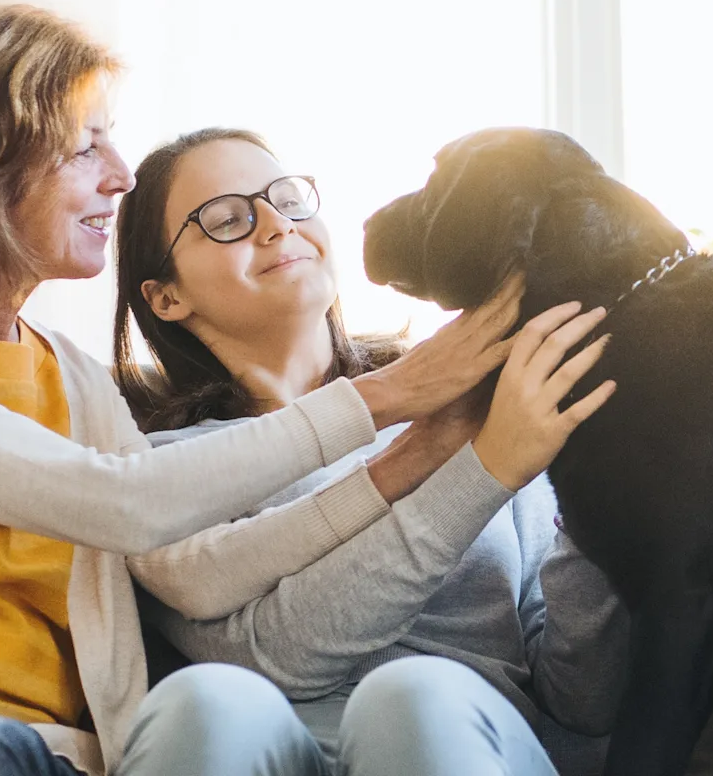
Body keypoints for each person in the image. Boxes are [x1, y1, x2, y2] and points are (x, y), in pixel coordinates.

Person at [0, 0, 598, 776]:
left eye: (287, 200)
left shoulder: (79, 387)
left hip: (19, 754)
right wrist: (401, 409)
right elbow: (133, 508)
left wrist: (444, 443)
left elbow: (186, 561)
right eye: (84, 145)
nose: (118, 176)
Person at [101, 127, 630, 776]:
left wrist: (598, 488)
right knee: (204, 701)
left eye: (288, 198)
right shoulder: (157, 467)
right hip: (276, 748)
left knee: (410, 695)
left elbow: (583, 698)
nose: (275, 224)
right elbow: (278, 656)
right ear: (166, 296)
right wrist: (477, 472)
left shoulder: (493, 408)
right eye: (227, 218)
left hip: (463, 738)